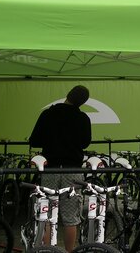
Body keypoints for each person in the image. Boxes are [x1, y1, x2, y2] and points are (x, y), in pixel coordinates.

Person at [29, 85, 92, 252]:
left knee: (48, 215)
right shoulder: (83, 118)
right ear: (83, 102)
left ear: (68, 95)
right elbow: (85, 142)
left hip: (51, 168)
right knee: (71, 218)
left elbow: (34, 140)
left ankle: (50, 250)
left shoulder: (48, 114)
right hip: (73, 170)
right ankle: (70, 250)